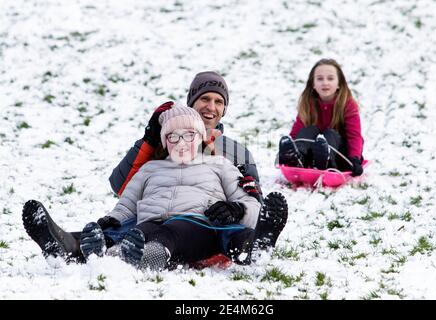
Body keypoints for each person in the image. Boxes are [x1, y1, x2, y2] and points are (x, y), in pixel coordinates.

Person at [22, 71, 288, 266]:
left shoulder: (232, 154)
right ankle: (69, 245)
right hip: (150, 219)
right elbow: (123, 190)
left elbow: (253, 201)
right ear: (191, 102)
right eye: (205, 99)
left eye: (219, 102)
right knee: (120, 229)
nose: (211, 107)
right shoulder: (161, 148)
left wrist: (236, 209)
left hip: (202, 226)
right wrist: (149, 140)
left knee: (220, 232)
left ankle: (253, 247)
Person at [278, 59, 364, 176]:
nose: (325, 83)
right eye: (319, 79)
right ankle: (298, 159)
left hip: (339, 157)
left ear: (339, 83)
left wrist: (355, 158)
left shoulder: (347, 105)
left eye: (330, 78)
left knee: (330, 133)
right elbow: (297, 132)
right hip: (312, 155)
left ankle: (326, 158)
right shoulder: (308, 103)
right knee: (309, 130)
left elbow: (355, 136)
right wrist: (289, 149)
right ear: (313, 84)